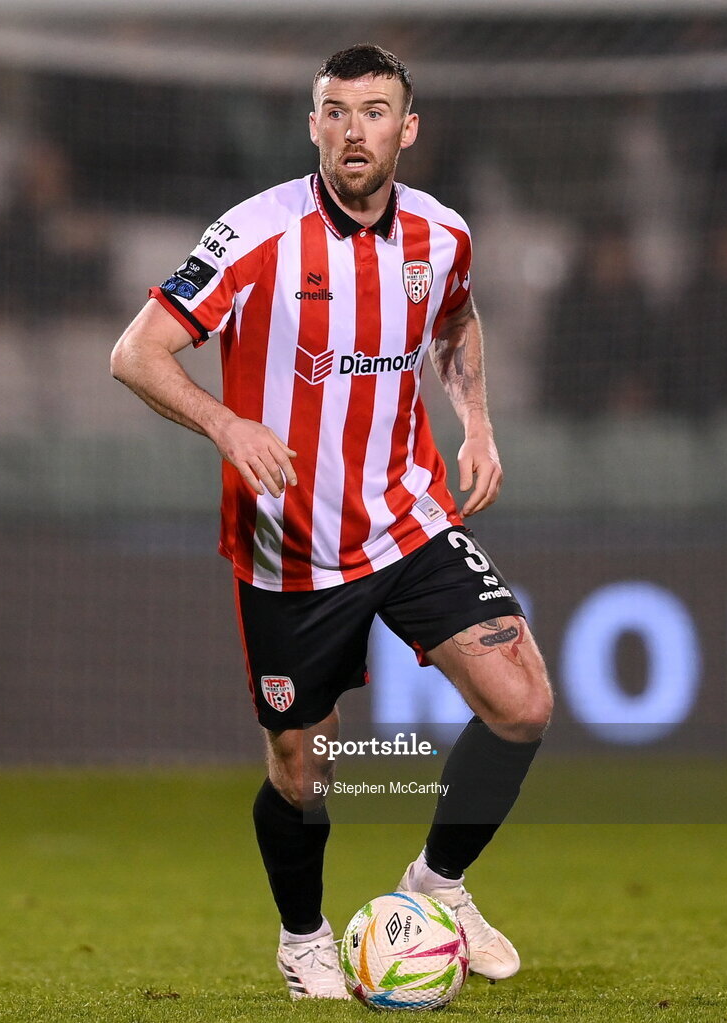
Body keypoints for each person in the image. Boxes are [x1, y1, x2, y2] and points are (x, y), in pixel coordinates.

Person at [111, 44, 553, 1001]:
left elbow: (457, 320)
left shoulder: (443, 234)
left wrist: (475, 423)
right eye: (338, 111)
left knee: (522, 704)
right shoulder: (256, 234)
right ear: (313, 125)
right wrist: (226, 423)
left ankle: (437, 888)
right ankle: (304, 936)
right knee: (301, 770)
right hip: (291, 547)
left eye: (377, 111)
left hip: (409, 516)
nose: (357, 130)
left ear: (409, 127)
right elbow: (136, 353)